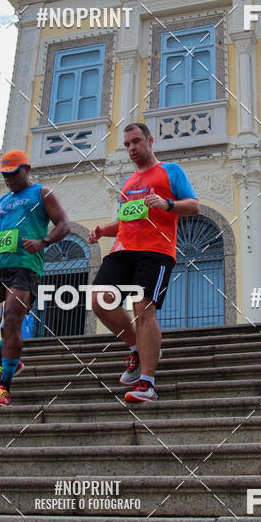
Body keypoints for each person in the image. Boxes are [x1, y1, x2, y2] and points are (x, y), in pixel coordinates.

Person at [88, 123, 199, 403]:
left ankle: (147, 384)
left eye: (136, 141)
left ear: (150, 140)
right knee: (99, 300)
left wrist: (167, 204)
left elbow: (194, 205)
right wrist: (103, 230)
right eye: (127, 144)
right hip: (122, 249)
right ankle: (138, 348)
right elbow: (126, 220)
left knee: (143, 309)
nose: (132, 148)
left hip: (156, 251)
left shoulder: (171, 171)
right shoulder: (128, 183)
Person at [0, 150, 70, 408]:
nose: (8, 179)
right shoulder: (3, 200)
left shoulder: (42, 193)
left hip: (25, 266)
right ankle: (7, 359)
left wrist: (43, 241)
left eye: (13, 173)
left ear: (27, 169)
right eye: (4, 175)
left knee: (11, 317)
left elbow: (64, 224)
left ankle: (4, 386)